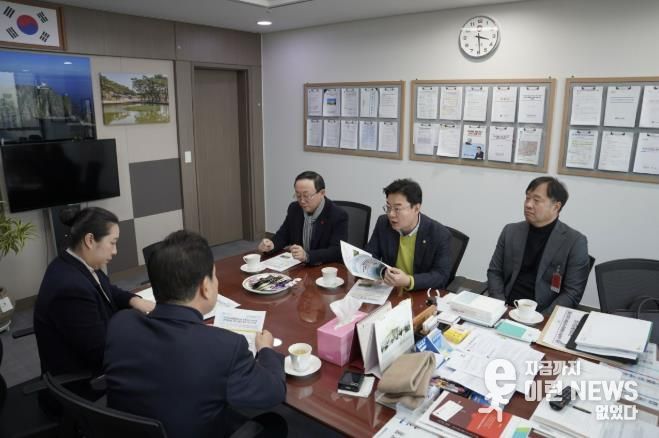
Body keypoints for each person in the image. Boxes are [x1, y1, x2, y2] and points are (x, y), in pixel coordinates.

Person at [104, 230, 287, 438]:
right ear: (205, 287)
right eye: (214, 276)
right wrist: (265, 350)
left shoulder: (121, 324)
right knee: (275, 423)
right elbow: (274, 392)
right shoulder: (224, 347)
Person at [34, 207, 154, 376]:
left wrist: (134, 300)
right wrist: (140, 333)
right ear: (90, 240)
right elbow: (100, 353)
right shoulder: (70, 289)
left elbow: (107, 290)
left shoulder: (76, 262)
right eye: (112, 243)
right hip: (85, 378)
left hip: (102, 344)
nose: (115, 251)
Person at [487, 176, 590, 315]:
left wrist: (542, 318)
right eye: (527, 198)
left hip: (542, 314)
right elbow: (495, 272)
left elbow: (572, 293)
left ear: (556, 207)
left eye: (536, 200)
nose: (528, 204)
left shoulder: (575, 242)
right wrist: (499, 306)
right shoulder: (510, 231)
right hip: (506, 307)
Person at [365, 178, 452, 290]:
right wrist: (380, 271)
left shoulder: (440, 234)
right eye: (388, 207)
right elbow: (371, 255)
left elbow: (441, 276)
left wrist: (408, 281)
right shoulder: (383, 223)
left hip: (419, 294)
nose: (391, 214)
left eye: (397, 209)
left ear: (416, 208)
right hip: (390, 290)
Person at [258, 171, 348, 264]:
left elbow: (336, 251)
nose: (302, 201)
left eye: (306, 196)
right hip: (299, 265)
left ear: (322, 193)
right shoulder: (294, 208)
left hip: (324, 267)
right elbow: (283, 235)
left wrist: (307, 256)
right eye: (298, 195)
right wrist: (271, 245)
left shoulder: (338, 215)